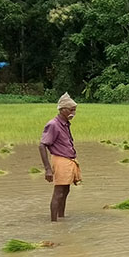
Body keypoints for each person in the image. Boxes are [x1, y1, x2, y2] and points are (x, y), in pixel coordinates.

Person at [38, 92, 80, 222]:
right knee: (58, 192)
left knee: (65, 191)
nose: (73, 112)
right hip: (60, 160)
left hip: (68, 160)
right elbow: (42, 145)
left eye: (75, 110)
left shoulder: (65, 123)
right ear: (62, 110)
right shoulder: (53, 124)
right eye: (71, 110)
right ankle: (54, 222)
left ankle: (61, 217)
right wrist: (48, 169)